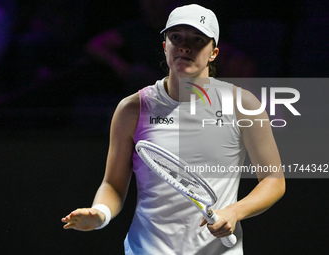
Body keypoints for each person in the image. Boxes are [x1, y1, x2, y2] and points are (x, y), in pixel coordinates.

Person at [62, 4, 285, 254]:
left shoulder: (243, 105)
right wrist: (100, 214)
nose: (184, 47)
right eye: (176, 37)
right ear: (164, 46)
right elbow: (113, 183)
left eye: (197, 39)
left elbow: (273, 180)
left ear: (214, 53)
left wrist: (235, 211)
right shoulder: (132, 109)